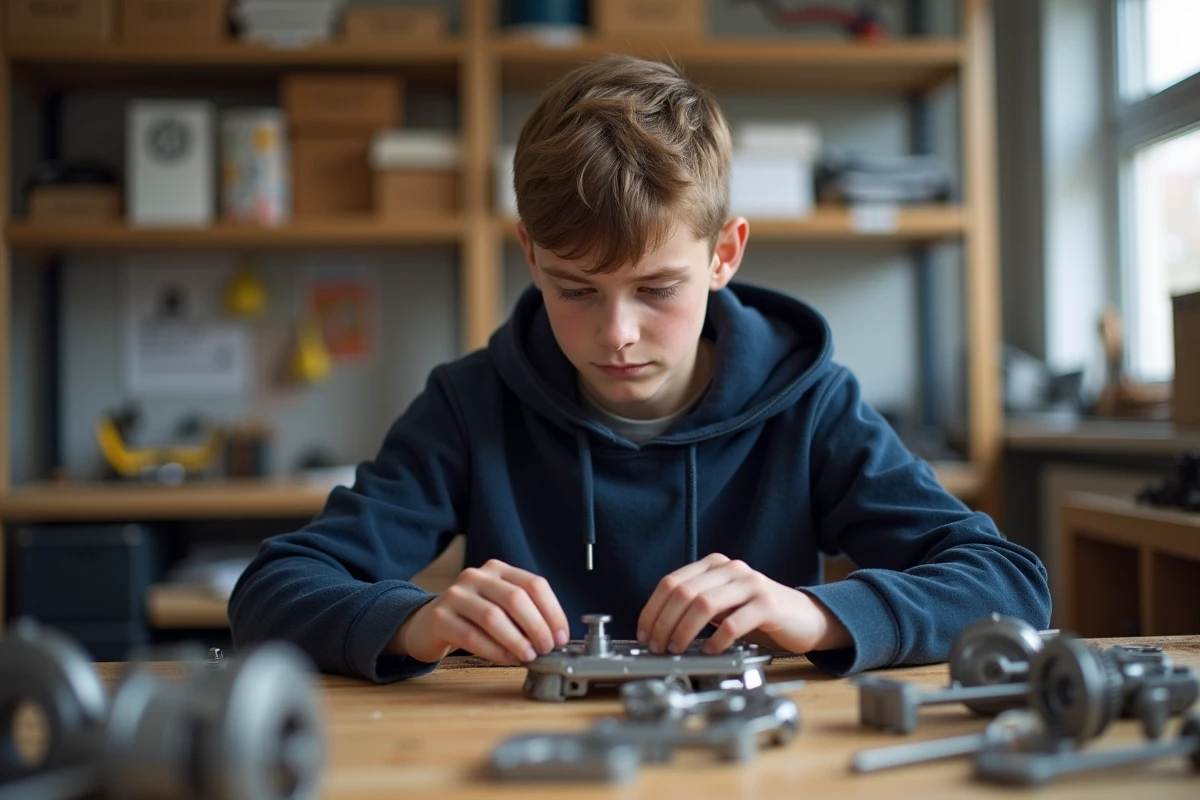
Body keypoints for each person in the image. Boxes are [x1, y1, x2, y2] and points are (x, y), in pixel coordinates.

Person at [228, 55, 1050, 683]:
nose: (616, 334)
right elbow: (270, 591)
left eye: (656, 289)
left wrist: (815, 614)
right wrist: (414, 622)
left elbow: (1010, 584)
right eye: (575, 288)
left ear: (724, 254)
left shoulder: (812, 407)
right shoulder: (470, 403)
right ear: (530, 256)